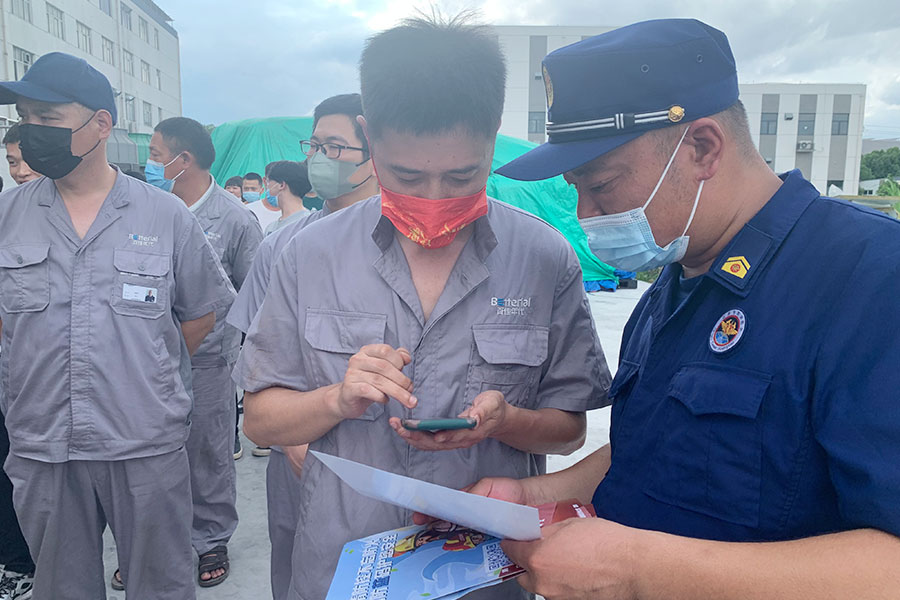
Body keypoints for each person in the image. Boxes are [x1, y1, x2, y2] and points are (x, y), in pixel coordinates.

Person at [442, 19, 900, 600]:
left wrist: (635, 568)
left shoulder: (870, 279)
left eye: (601, 185)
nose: (585, 215)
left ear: (702, 148)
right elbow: (660, 451)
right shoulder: (675, 281)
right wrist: (534, 496)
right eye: (575, 191)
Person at [233, 15, 611, 600]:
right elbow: (259, 419)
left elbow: (568, 432)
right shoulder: (310, 254)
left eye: (462, 176)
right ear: (369, 137)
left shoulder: (543, 259)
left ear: (492, 137)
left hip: (481, 573)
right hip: (345, 568)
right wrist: (336, 399)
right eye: (407, 176)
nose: (435, 200)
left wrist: (506, 421)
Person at [0, 52, 235, 600]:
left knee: (160, 586)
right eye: (25, 118)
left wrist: (143, 370)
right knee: (62, 588)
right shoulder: (7, 216)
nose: (32, 132)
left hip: (144, 443)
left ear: (100, 124)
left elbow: (201, 312)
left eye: (48, 118)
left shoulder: (164, 216)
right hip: (42, 444)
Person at [225, 91, 379, 600]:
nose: (317, 159)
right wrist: (291, 438)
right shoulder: (282, 245)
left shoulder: (401, 244)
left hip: (380, 453)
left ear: (374, 152)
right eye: (313, 146)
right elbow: (254, 354)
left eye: (333, 147)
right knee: (296, 563)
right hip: (297, 450)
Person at [143, 116, 263, 587]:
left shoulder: (234, 219)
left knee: (207, 453)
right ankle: (153, 540)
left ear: (183, 160)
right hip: (146, 358)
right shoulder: (145, 209)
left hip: (208, 360)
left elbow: (255, 296)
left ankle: (210, 538)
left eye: (155, 155)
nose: (150, 164)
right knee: (148, 456)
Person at [261, 160, 312, 235]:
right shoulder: (271, 228)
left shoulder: (308, 223)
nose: (267, 187)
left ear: (281, 185)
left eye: (269, 182)